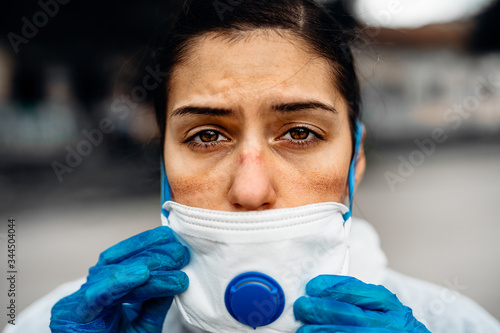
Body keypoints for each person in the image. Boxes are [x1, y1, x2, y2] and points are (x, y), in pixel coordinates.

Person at [4, 0, 500, 332]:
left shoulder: (455, 323)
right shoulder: (48, 324)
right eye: (206, 135)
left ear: (358, 158)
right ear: (163, 166)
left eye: (301, 133)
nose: (250, 187)